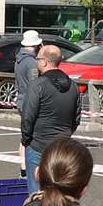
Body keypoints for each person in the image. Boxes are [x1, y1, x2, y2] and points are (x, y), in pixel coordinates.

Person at [19, 44, 81, 187]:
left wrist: (26, 140)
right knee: (58, 191)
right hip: (62, 146)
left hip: (37, 145)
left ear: (44, 62)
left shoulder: (37, 85)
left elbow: (28, 116)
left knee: (36, 193)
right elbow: (76, 118)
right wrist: (66, 135)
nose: (36, 61)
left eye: (38, 58)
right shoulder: (73, 86)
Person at [15, 31, 42, 175]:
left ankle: (23, 166)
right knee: (30, 136)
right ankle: (27, 168)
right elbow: (35, 84)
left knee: (24, 135)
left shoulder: (19, 59)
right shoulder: (31, 62)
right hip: (29, 102)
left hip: (21, 99)